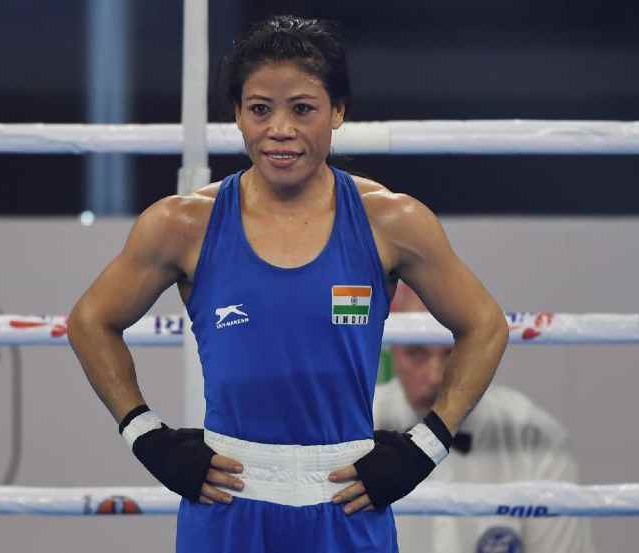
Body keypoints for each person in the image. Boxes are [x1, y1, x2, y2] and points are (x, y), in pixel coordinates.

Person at [68, 15, 508, 553]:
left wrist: (427, 445)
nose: (280, 129)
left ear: (337, 111)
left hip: (346, 501)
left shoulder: (391, 221)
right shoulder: (182, 224)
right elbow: (91, 321)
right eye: (260, 109)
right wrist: (145, 436)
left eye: (302, 109)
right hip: (227, 503)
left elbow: (485, 325)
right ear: (237, 114)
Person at [375, 282, 596, 553]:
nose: (434, 377)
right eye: (416, 353)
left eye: (451, 352)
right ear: (393, 348)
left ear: (474, 350)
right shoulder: (359, 426)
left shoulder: (534, 434)